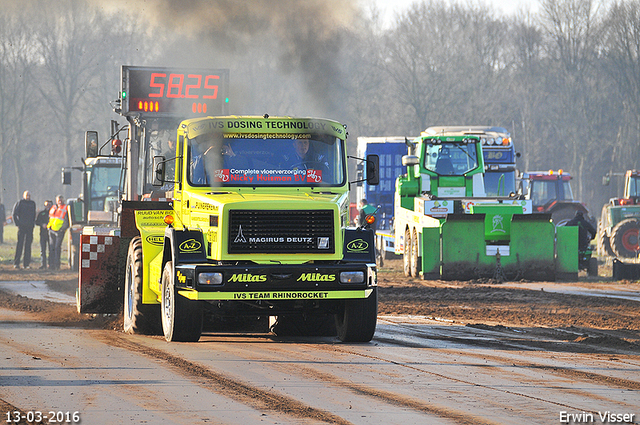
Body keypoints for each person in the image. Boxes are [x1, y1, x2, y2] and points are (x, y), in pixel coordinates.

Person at [12, 190, 36, 269]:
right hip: (22, 227)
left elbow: (34, 214)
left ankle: (26, 264)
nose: (28, 196)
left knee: (28, 245)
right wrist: (17, 224)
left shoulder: (32, 204)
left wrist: (33, 224)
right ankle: (17, 263)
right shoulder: (20, 203)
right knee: (20, 244)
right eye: (27, 195)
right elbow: (14, 214)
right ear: (23, 195)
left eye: (29, 195)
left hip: (30, 227)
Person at [47, 195, 69, 270]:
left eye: (61, 200)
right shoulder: (53, 207)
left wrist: (62, 229)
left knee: (57, 248)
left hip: (59, 231)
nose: (59, 201)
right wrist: (49, 227)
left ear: (63, 200)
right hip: (51, 230)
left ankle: (57, 265)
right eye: (58, 200)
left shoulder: (65, 208)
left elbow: (67, 220)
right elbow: (50, 217)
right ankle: (51, 264)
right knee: (51, 247)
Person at [35, 200, 53, 269]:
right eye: (46, 205)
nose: (48, 206)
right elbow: (37, 222)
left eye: (49, 205)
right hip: (43, 233)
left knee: (51, 249)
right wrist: (42, 224)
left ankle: (51, 264)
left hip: (51, 233)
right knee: (43, 249)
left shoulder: (53, 213)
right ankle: (43, 264)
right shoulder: (41, 213)